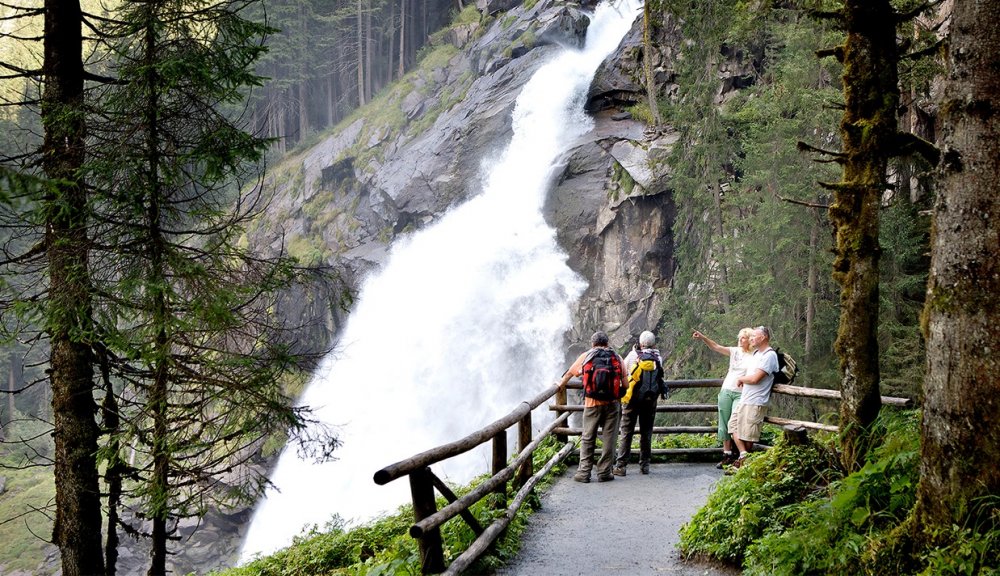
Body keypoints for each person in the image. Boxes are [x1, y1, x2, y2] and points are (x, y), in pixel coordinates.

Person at [559, 330, 624, 483]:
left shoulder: (586, 356)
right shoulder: (617, 357)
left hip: (591, 404)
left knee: (588, 438)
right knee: (609, 439)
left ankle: (584, 473)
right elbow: (625, 384)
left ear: (593, 344)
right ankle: (604, 472)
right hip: (612, 404)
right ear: (607, 343)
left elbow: (569, 374)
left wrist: (560, 385)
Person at [692, 327, 753, 468]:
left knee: (736, 423)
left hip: (741, 393)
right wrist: (703, 337)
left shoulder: (754, 356)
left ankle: (741, 454)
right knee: (724, 423)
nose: (740, 340)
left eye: (743, 338)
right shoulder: (734, 351)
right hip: (726, 389)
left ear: (749, 340)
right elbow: (716, 346)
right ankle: (727, 454)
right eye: (739, 337)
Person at [612, 330, 665, 476]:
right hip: (650, 400)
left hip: (632, 400)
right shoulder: (658, 357)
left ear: (640, 343)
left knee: (626, 432)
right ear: (653, 343)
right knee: (646, 432)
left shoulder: (633, 355)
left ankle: (621, 466)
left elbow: (623, 370)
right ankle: (645, 466)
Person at [728, 326, 779, 468]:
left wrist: (741, 379)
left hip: (756, 400)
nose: (751, 339)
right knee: (733, 426)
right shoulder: (756, 354)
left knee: (748, 434)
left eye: (754, 336)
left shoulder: (769, 355)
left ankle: (743, 465)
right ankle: (743, 455)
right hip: (745, 398)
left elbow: (756, 378)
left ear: (763, 338)